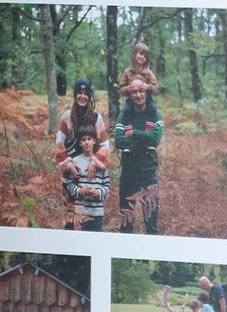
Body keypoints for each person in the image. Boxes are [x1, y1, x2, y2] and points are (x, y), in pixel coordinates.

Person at [114, 75, 162, 234]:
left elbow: (155, 139)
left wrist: (134, 133)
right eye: (134, 92)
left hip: (148, 171)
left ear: (147, 92)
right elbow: (119, 141)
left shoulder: (155, 115)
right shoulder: (124, 116)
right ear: (130, 95)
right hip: (128, 172)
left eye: (141, 90)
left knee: (151, 220)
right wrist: (143, 140)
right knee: (126, 220)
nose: (138, 95)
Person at [53, 76, 111, 173]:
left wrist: (94, 163)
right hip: (72, 169)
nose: (82, 96)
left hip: (92, 170)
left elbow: (105, 146)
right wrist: (69, 165)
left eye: (85, 94)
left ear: (89, 97)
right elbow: (59, 144)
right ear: (75, 95)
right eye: (79, 93)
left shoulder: (97, 119)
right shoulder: (67, 117)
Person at [61, 122, 109, 231]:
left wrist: (98, 192)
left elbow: (107, 187)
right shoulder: (76, 161)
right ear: (79, 143)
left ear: (94, 141)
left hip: (97, 212)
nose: (87, 142)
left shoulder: (102, 162)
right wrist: (79, 191)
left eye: (89, 139)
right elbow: (70, 184)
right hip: (80, 212)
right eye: (83, 140)